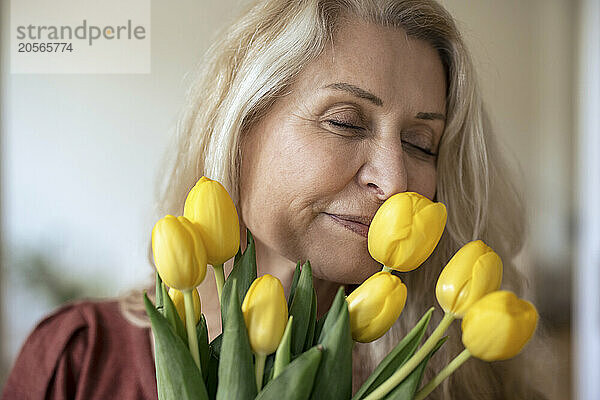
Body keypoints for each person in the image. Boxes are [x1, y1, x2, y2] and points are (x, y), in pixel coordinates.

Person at [2, 0, 550, 399]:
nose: (395, 180)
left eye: (419, 143)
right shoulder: (78, 364)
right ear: (240, 125)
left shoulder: (462, 384)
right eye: (344, 121)